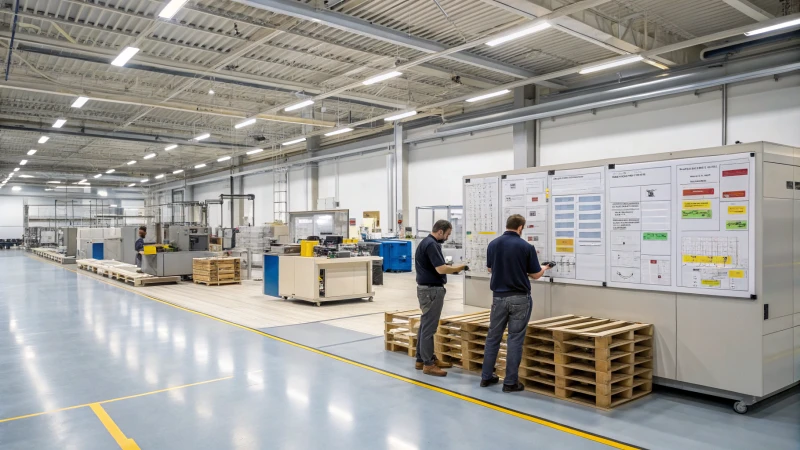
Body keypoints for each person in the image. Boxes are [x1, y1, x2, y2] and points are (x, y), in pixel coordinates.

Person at [480, 214, 552, 392]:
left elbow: (490, 268)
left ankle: (486, 377)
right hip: (520, 298)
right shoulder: (526, 247)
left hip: (498, 298)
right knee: (514, 339)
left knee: (493, 338)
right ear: (520, 227)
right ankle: (510, 382)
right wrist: (544, 267)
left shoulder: (493, 244)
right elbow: (535, 274)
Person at [414, 220, 466, 377]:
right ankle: (428, 365)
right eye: (448, 234)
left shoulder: (425, 242)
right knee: (429, 328)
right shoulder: (432, 244)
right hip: (431, 291)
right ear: (440, 232)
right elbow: (441, 268)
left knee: (425, 325)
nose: (447, 238)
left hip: (426, 289)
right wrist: (460, 267)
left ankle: (421, 359)